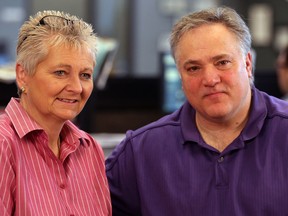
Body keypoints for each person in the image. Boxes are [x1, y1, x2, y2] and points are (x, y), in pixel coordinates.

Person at [106, 6, 288, 216]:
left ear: (247, 64)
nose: (210, 79)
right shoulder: (140, 152)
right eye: (193, 68)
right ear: (180, 77)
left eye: (222, 62)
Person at [0, 10, 111, 215]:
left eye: (85, 75)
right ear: (22, 75)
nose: (77, 88)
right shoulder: (3, 144)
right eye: (61, 73)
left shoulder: (89, 149)